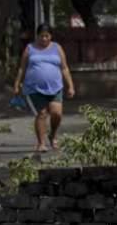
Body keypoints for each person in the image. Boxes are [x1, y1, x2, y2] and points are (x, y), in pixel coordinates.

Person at [14, 23, 76, 152]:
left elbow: (64, 68)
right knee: (42, 114)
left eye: (47, 36)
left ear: (51, 36)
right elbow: (22, 68)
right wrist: (17, 84)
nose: (44, 39)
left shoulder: (57, 48)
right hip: (34, 88)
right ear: (37, 36)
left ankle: (52, 134)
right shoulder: (30, 48)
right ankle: (41, 143)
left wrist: (70, 86)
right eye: (41, 36)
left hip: (55, 86)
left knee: (57, 113)